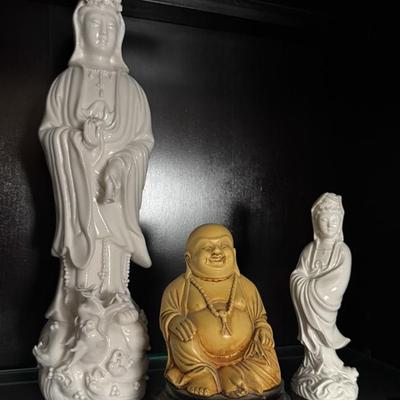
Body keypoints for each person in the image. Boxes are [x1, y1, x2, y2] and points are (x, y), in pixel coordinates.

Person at [39, 0, 154, 321]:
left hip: (116, 189)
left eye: (109, 25)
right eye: (95, 24)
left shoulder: (133, 90)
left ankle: (116, 297)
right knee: (84, 241)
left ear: (119, 33)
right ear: (81, 29)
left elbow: (143, 141)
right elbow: (49, 132)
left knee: (113, 242)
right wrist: (77, 141)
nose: (103, 32)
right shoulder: (65, 83)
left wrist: (121, 164)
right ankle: (80, 303)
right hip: (79, 184)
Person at [160, 224, 282, 398]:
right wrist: (174, 321)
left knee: (270, 365)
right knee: (181, 336)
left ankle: (231, 374)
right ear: (189, 259)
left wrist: (263, 329)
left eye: (223, 245)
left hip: (244, 354)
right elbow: (168, 314)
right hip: (199, 357)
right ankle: (202, 374)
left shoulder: (246, 285)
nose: (217, 252)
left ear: (234, 254)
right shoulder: (178, 288)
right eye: (207, 247)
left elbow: (259, 317)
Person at [290, 193, 358, 400]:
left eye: (334, 219)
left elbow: (338, 282)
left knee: (324, 342)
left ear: (341, 221)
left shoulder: (342, 251)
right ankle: (312, 369)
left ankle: (329, 370)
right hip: (308, 306)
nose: (329, 224)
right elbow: (297, 275)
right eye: (324, 219)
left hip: (323, 307)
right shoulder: (309, 250)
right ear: (315, 221)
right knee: (313, 345)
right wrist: (302, 285)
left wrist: (310, 287)